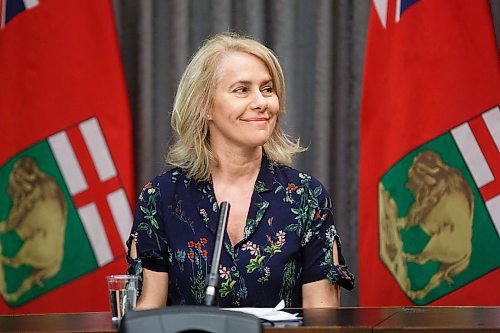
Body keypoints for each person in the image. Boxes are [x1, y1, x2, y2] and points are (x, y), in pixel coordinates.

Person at [126, 32, 354, 309]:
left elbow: (323, 320)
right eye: (242, 90)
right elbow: (148, 313)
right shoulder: (161, 196)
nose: (262, 102)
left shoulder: (306, 197)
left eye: (267, 89)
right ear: (205, 106)